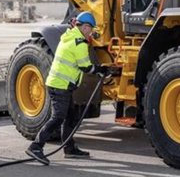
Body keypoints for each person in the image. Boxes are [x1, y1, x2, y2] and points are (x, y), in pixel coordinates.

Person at [25, 11, 114, 165]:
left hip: (60, 84)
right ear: (85, 27)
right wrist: (102, 70)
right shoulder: (79, 43)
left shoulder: (69, 36)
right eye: (91, 29)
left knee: (71, 116)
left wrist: (100, 69)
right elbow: (86, 68)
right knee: (58, 117)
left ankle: (69, 148)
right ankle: (36, 147)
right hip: (60, 86)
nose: (91, 32)